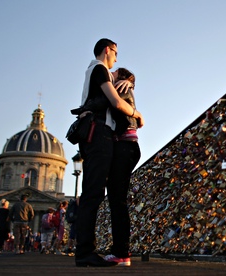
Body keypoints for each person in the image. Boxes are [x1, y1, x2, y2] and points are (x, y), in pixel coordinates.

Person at [75, 38, 144, 267]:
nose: (116, 59)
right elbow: (115, 102)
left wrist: (129, 80)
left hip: (99, 136)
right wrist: (137, 114)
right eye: (116, 54)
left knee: (95, 193)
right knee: (94, 194)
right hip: (99, 135)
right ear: (108, 50)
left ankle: (90, 250)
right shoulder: (99, 69)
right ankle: (87, 251)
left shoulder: (95, 72)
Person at [103, 68, 141, 267]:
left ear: (121, 77)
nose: (111, 71)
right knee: (118, 200)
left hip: (125, 147)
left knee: (117, 201)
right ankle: (121, 251)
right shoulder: (126, 87)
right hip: (130, 147)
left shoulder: (119, 87)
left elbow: (113, 104)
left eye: (115, 71)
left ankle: (121, 252)